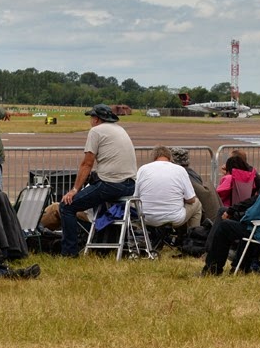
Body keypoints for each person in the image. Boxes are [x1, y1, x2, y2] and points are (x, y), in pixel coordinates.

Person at [57, 105, 138, 257]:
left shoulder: (96, 131)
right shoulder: (120, 129)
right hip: (130, 185)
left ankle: (69, 252)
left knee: (66, 207)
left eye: (91, 117)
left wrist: (74, 190)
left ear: (96, 119)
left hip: (111, 184)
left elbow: (87, 163)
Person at [135, 145, 201, 231]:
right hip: (174, 219)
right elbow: (191, 199)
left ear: (153, 157)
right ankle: (194, 235)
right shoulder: (180, 170)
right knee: (197, 204)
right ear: (170, 158)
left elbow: (135, 196)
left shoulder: (142, 169)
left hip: (147, 219)